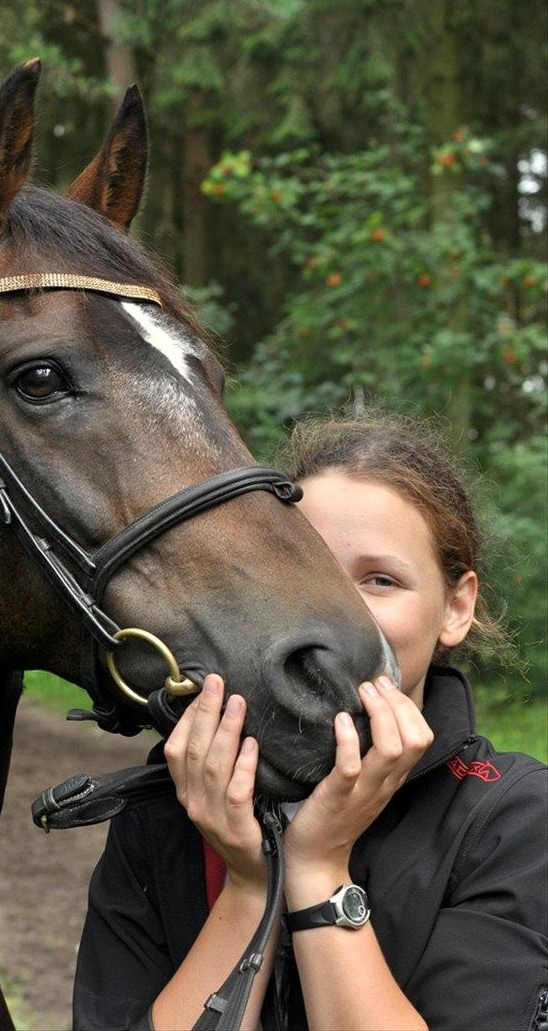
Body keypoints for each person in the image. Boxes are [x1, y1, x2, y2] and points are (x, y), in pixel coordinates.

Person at [73, 415, 547, 1031]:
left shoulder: (514, 819)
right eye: (301, 568)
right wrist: (249, 889)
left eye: (381, 580)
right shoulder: (176, 802)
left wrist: (318, 869)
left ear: (456, 607)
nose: (335, 614)